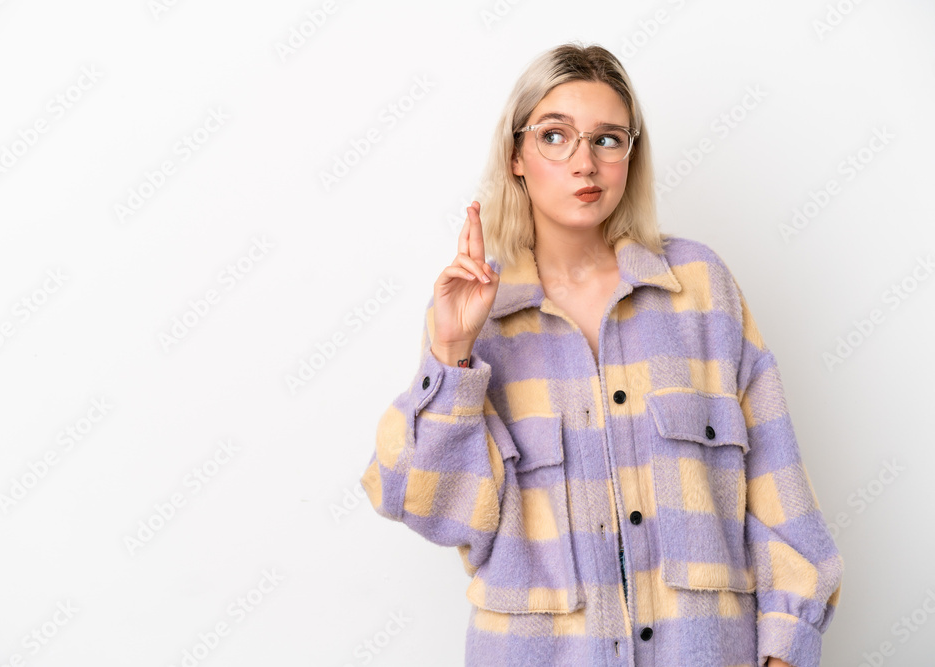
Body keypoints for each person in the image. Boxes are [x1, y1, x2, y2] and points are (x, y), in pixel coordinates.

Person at [360, 42, 843, 667]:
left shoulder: (699, 287)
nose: (584, 163)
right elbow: (433, 510)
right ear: (516, 155)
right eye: (555, 136)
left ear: (629, 156)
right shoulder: (474, 316)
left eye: (607, 139)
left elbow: (780, 494)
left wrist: (784, 652)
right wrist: (451, 353)